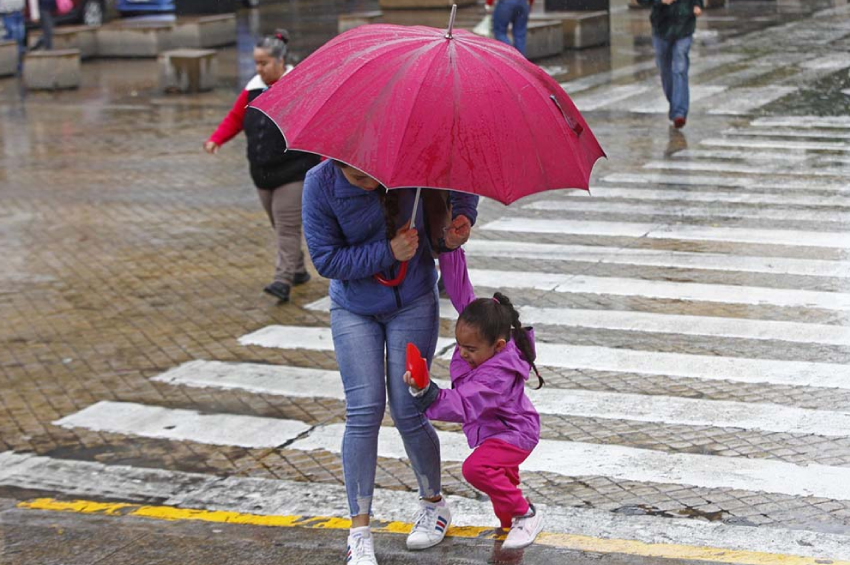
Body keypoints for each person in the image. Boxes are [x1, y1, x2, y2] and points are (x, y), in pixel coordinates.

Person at [301, 159, 478, 565]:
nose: (369, 182)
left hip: (413, 301)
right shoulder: (319, 183)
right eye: (358, 177)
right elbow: (326, 261)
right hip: (354, 308)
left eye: (373, 175)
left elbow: (457, 176)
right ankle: (359, 531)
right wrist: (388, 251)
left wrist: (463, 217)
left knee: (408, 406)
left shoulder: (410, 163)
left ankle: (434, 505)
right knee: (363, 411)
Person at [404, 246, 544, 550]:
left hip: (514, 433)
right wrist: (450, 248)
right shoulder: (481, 332)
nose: (463, 354)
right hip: (498, 431)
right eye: (459, 346)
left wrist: (428, 394)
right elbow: (460, 291)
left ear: (497, 345)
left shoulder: (496, 374)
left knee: (477, 469)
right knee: (502, 505)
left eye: (470, 350)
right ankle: (511, 524)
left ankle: (527, 514)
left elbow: (465, 403)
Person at [205, 29, 320, 303]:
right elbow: (235, 119)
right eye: (257, 63)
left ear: (281, 61)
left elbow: (317, 128)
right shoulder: (253, 89)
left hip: (294, 171)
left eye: (264, 63)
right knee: (278, 224)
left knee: (286, 227)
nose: (260, 68)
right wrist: (216, 139)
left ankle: (282, 280)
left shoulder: (300, 86)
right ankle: (299, 270)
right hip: (261, 174)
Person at [638, 0, 703, 129]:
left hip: (684, 24)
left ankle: (679, 112)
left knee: (680, 68)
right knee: (664, 69)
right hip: (661, 26)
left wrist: (697, 4)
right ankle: (675, 105)